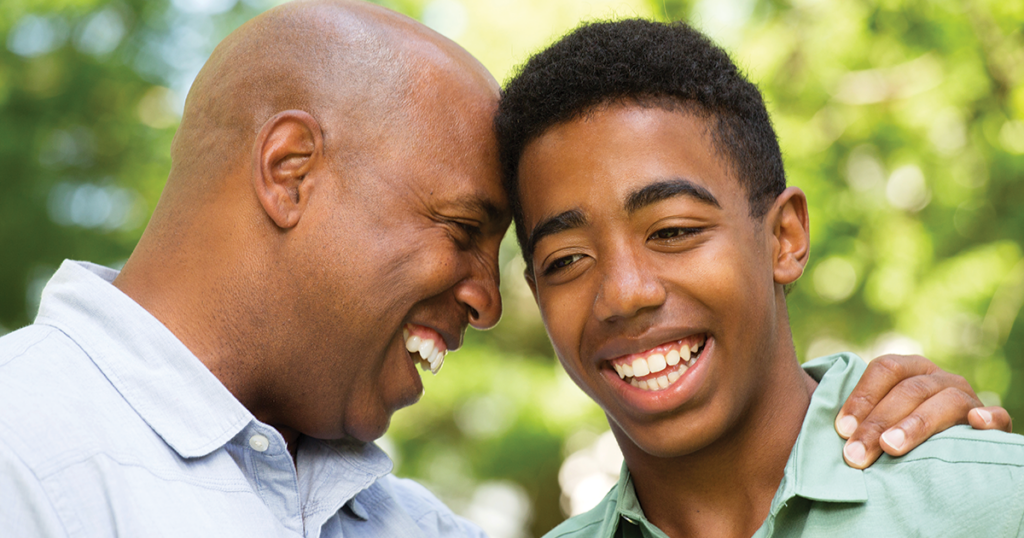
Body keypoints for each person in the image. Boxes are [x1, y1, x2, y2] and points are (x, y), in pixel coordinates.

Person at [0, 2, 1010, 537]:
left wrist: (947, 470)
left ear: (782, 235)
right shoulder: (24, 447)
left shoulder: (406, 524)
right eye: (461, 225)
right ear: (289, 170)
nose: (489, 299)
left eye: (671, 229)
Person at [495, 18, 1024, 538]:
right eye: (565, 260)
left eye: (674, 231)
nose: (625, 293)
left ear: (784, 238)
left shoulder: (995, 503)